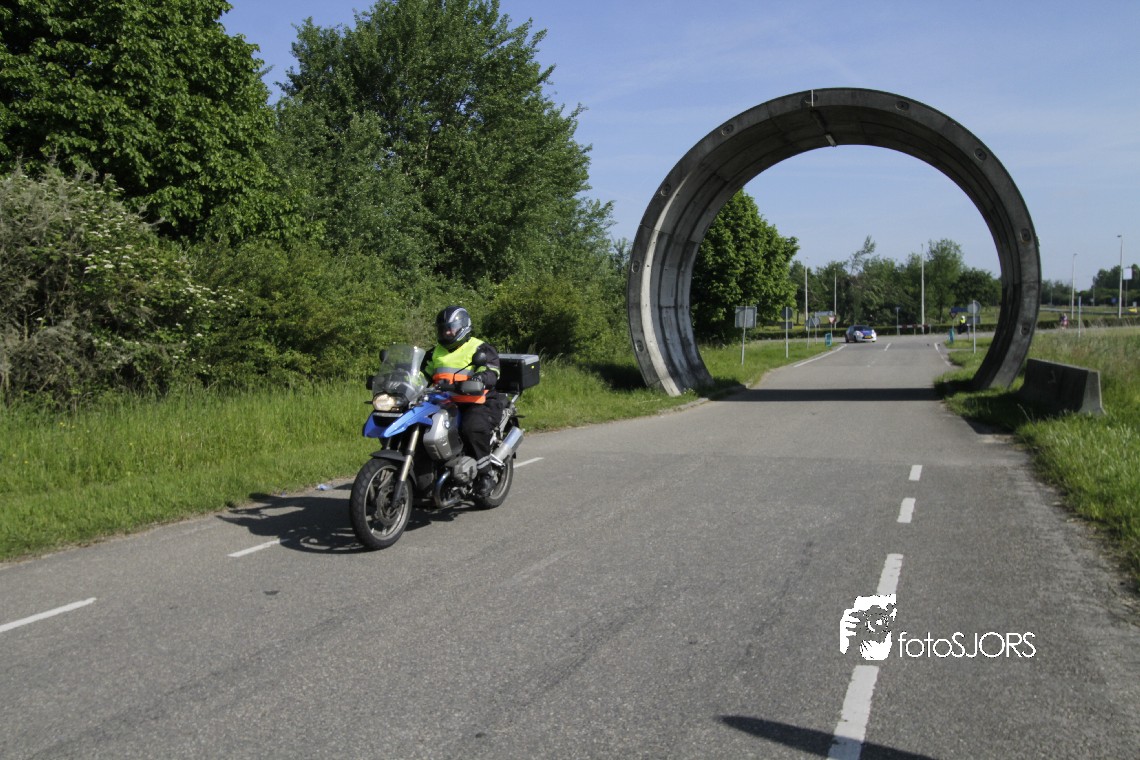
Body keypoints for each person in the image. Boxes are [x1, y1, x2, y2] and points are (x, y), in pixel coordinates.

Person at [422, 306, 506, 498]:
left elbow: (491, 372)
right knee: (420, 427)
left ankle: (485, 475)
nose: (446, 332)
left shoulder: (480, 348)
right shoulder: (434, 352)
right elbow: (421, 375)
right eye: (443, 329)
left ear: (463, 327)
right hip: (443, 402)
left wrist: (479, 379)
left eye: (451, 328)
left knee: (471, 428)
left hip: (477, 401)